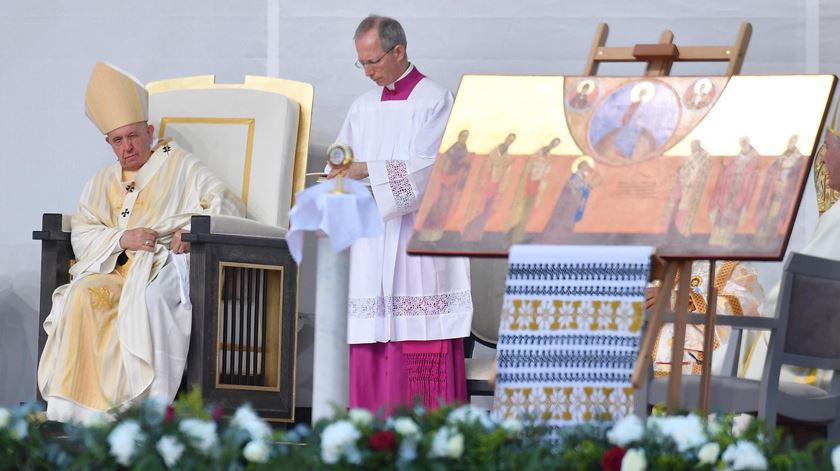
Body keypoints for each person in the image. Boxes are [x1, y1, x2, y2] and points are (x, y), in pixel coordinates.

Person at [37, 62, 244, 423]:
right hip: (115, 268)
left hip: (159, 265)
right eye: (118, 140)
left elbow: (225, 202)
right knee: (80, 295)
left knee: (146, 301)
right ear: (109, 143)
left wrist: (194, 231)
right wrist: (121, 238)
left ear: (149, 132)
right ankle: (76, 411)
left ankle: (137, 407)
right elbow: (84, 229)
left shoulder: (182, 166)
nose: (127, 147)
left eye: (133, 136)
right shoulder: (102, 181)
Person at [327, 15, 472, 414]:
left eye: (373, 61)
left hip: (418, 243)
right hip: (373, 242)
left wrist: (365, 170)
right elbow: (341, 158)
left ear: (399, 51)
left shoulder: (435, 100)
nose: (368, 72)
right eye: (362, 63)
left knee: (421, 334)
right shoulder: (361, 107)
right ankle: (371, 434)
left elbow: (429, 171)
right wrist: (338, 168)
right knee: (373, 333)